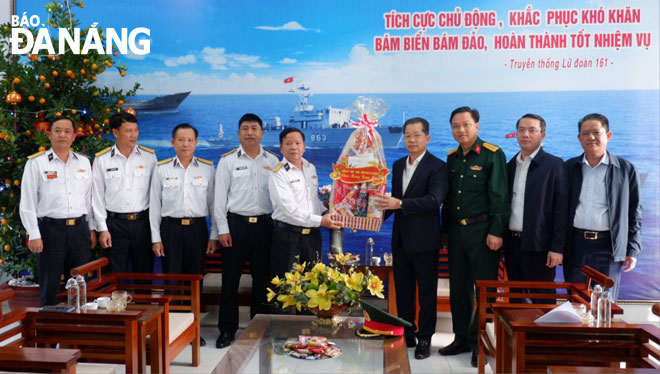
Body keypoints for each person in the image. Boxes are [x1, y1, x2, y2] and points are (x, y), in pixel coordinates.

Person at [373, 117, 448, 360]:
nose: (411, 140)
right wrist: (369, 220)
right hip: (401, 240)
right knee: (403, 291)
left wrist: (401, 203)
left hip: (426, 242)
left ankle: (425, 338)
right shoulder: (396, 166)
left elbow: (434, 200)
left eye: (416, 135)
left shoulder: (438, 167)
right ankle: (407, 332)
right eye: (407, 135)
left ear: (427, 137)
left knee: (426, 293)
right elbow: (392, 203)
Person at [439, 106, 509, 367]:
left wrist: (496, 231)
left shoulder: (492, 155)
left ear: (477, 126)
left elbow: (500, 196)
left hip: (483, 231)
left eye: (466, 125)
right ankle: (460, 337)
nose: (461, 130)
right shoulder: (452, 157)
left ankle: (481, 341)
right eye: (456, 126)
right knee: (458, 287)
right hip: (457, 232)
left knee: (484, 289)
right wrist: (445, 230)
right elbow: (448, 199)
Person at [213, 113, 280, 349]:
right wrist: (222, 230)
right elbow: (219, 199)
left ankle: (258, 329)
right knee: (229, 281)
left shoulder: (273, 161)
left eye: (254, 128)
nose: (249, 132)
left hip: (264, 227)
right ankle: (227, 330)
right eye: (245, 128)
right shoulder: (228, 161)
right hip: (235, 227)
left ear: (262, 132)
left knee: (262, 281)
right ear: (238, 133)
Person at [149, 123, 218, 346]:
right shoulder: (162, 169)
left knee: (194, 281)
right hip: (170, 229)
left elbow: (214, 204)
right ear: (173, 142)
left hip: (197, 229)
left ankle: (192, 330)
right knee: (173, 280)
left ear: (196, 143)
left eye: (190, 140)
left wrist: (214, 235)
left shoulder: (207, 169)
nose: (185, 144)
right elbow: (154, 206)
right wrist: (155, 238)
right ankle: (173, 330)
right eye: (181, 140)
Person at [564, 113, 642, 301]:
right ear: (579, 138)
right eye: (585, 133)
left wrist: (632, 249)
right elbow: (559, 210)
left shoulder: (626, 170)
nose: (591, 137)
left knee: (605, 304)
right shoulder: (569, 168)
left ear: (608, 136)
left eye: (596, 132)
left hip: (609, 246)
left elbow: (635, 213)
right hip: (575, 245)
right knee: (576, 302)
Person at [19, 117, 96, 306]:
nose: (63, 135)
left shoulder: (84, 162)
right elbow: (27, 202)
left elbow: (89, 199)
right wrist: (34, 234)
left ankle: (77, 325)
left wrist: (92, 228)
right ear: (49, 134)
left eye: (67, 131)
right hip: (50, 230)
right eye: (58, 130)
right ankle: (48, 328)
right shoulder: (36, 163)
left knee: (79, 283)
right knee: (50, 283)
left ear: (74, 136)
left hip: (79, 230)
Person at [505, 114, 568, 302]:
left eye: (532, 130)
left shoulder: (555, 165)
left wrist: (557, 248)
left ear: (543, 135)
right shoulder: (509, 166)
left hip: (540, 246)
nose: (526, 134)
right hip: (512, 244)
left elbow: (561, 210)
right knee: (515, 300)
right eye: (521, 130)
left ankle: (544, 333)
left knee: (542, 300)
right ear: (516, 134)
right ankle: (515, 333)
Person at [268, 128, 341, 280]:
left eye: (297, 143)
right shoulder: (278, 173)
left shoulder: (310, 168)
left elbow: (312, 200)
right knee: (286, 289)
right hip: (288, 237)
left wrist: (325, 212)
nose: (293, 147)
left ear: (304, 146)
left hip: (312, 238)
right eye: (288, 143)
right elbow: (289, 210)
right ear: (281, 147)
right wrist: (321, 221)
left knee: (313, 285)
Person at [92, 112, 156, 274]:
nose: (133, 135)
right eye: (128, 131)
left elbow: (156, 194)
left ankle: (144, 301)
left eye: (135, 130)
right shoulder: (102, 160)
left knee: (144, 272)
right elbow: (97, 197)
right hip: (114, 224)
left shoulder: (149, 157)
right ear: (115, 133)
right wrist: (102, 228)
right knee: (114, 274)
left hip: (142, 224)